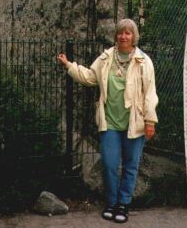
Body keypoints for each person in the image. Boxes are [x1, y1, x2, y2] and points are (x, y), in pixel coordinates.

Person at [57, 18, 158, 224]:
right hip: (109, 122)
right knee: (110, 164)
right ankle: (111, 203)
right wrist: (69, 65)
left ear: (134, 36)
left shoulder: (143, 61)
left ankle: (123, 205)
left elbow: (150, 93)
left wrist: (150, 121)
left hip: (135, 123)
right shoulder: (106, 58)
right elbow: (89, 77)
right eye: (120, 33)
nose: (123, 36)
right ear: (116, 36)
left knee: (131, 165)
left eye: (128, 33)